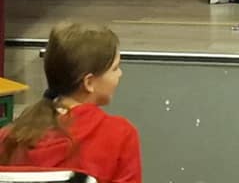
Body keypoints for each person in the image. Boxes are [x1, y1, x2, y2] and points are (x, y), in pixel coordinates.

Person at [0, 22, 142, 183]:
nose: (120, 73)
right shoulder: (120, 135)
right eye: (115, 68)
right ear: (89, 82)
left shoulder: (8, 137)